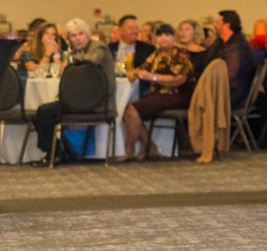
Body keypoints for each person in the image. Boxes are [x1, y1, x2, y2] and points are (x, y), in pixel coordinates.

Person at [27, 18, 116, 167]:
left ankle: (56, 153)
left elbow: (92, 60)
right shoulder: (75, 52)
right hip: (79, 100)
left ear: (87, 34)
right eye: (73, 36)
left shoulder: (99, 47)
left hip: (98, 103)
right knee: (41, 113)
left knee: (44, 112)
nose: (78, 38)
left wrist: (70, 59)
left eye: (81, 34)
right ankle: (55, 152)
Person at [118, 23, 195, 162]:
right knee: (128, 111)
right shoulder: (156, 54)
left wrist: (153, 77)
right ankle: (151, 148)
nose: (163, 38)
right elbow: (143, 68)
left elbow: (179, 79)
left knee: (132, 110)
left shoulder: (181, 53)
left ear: (174, 38)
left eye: (167, 35)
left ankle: (129, 149)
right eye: (159, 35)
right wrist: (134, 73)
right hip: (159, 95)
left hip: (177, 95)